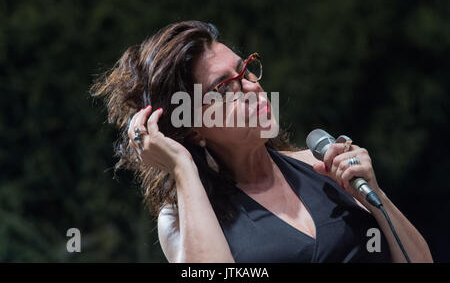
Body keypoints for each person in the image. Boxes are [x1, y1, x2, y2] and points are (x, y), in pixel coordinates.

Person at [90, 20, 433, 263]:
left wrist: (376, 197)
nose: (252, 87)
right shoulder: (183, 219)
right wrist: (181, 168)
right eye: (225, 87)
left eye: (246, 70)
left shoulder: (324, 169)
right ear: (193, 128)